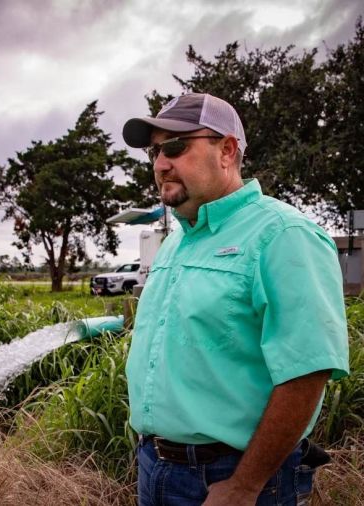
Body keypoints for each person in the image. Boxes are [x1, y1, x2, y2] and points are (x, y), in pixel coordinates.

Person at [121, 93, 350, 505]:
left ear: (227, 150)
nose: (160, 164)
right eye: (155, 152)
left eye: (175, 147)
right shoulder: (177, 243)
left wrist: (244, 486)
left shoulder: (283, 235)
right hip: (155, 468)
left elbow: (306, 372)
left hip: (231, 478)